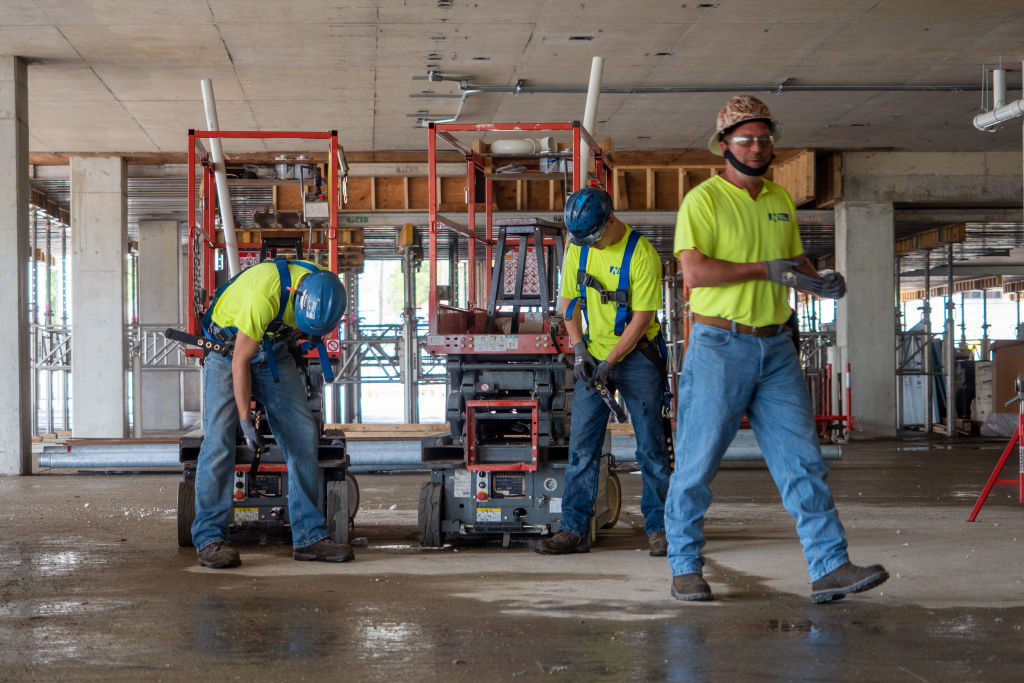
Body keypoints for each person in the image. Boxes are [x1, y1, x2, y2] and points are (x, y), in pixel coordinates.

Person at [666, 95, 888, 603]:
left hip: (776, 347)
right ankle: (684, 566)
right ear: (724, 145)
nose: (757, 147)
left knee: (803, 461)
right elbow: (694, 273)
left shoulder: (780, 199)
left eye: (764, 139)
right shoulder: (703, 200)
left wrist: (820, 281)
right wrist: (763, 271)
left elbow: (792, 263)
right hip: (719, 345)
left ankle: (829, 567)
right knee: (697, 465)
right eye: (746, 139)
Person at [536, 187, 673, 556]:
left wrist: (611, 362)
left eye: (594, 239)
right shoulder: (578, 247)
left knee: (651, 448)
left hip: (637, 357)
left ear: (611, 220)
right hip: (593, 357)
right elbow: (569, 303)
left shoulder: (641, 254)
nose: (591, 247)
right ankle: (574, 529)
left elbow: (642, 319)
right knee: (582, 446)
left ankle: (660, 528)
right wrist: (579, 350)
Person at [191, 258, 352, 568]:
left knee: (302, 433)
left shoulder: (323, 289)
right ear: (296, 294)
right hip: (227, 352)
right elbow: (240, 362)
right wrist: (245, 421)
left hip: (273, 351)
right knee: (219, 440)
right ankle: (210, 538)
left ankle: (310, 537)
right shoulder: (264, 295)